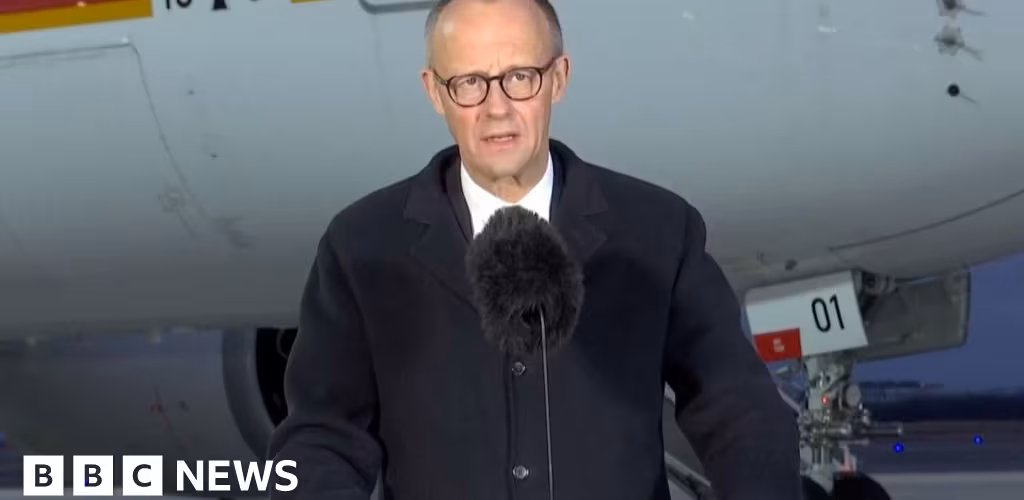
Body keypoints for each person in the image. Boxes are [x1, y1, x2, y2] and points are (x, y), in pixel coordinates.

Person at [266, 0, 801, 499]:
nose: (497, 108)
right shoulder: (362, 247)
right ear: (435, 91)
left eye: (520, 77)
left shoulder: (657, 230)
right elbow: (320, 439)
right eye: (470, 83)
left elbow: (740, 411)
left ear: (558, 78)